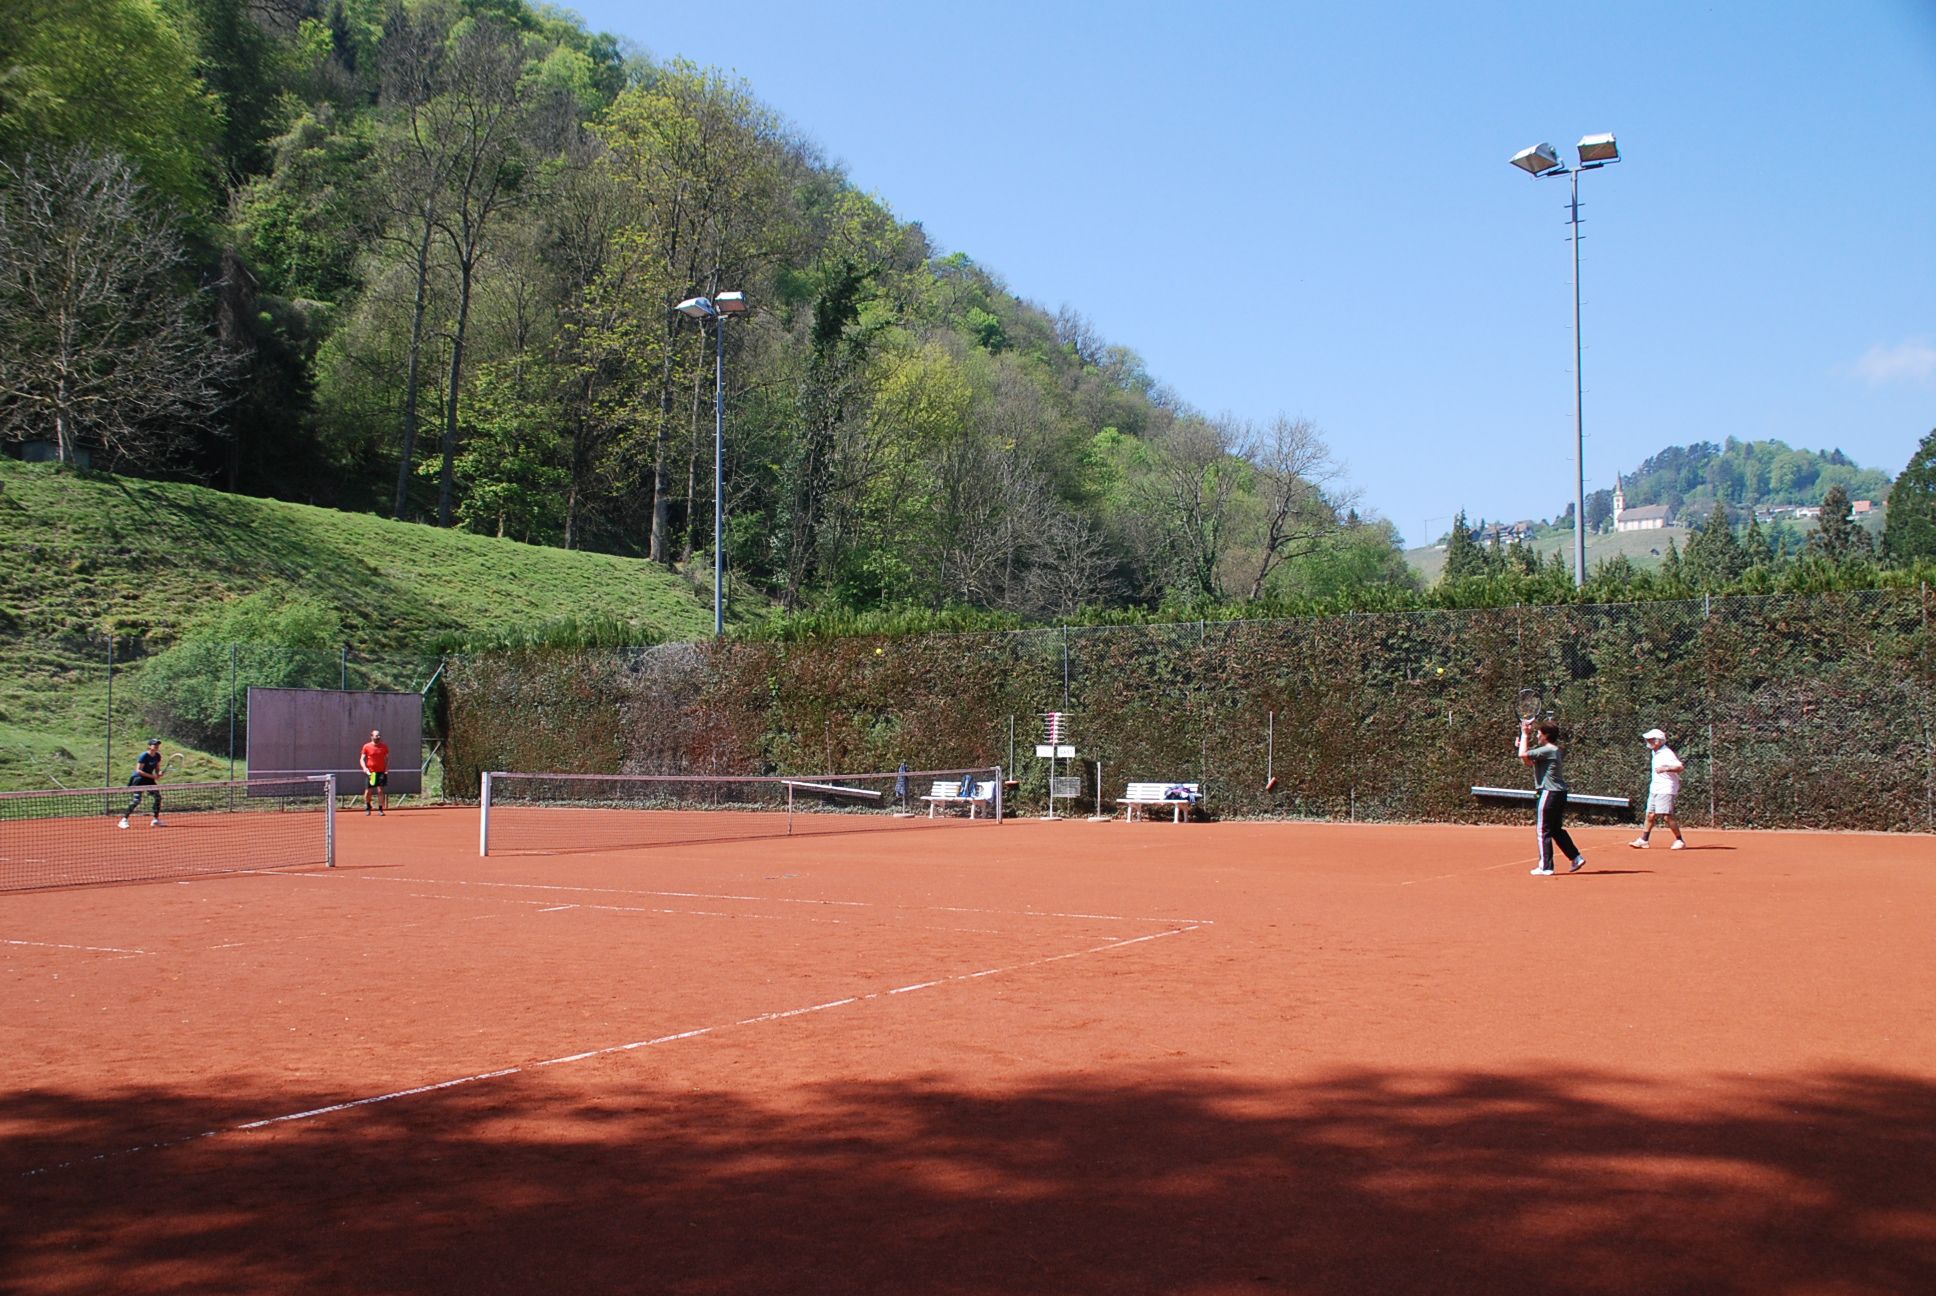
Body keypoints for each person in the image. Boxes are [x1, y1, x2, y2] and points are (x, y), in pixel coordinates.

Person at [1518, 718, 1585, 875]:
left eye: (1538, 733)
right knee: (1555, 829)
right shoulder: (1553, 750)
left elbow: (1522, 754)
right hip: (1558, 794)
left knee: (1543, 830)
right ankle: (1576, 857)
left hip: (1549, 793)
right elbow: (1528, 762)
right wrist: (1523, 742)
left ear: (1546, 735)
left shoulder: (1548, 750)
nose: (1537, 735)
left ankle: (1546, 866)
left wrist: (1524, 734)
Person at [1630, 728, 1688, 850]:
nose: (1648, 741)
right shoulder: (1655, 752)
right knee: (1650, 815)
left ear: (1658, 741)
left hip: (1666, 788)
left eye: (1650, 739)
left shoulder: (1667, 753)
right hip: (1655, 787)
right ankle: (1644, 840)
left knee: (1667, 816)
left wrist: (1666, 769)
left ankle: (1680, 840)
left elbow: (1680, 767)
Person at [119, 739, 166, 829]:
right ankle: (123, 820)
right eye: (154, 744)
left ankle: (155, 820)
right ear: (149, 746)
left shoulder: (157, 756)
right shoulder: (144, 755)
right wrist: (152, 776)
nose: (156, 746)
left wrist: (159, 773)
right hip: (138, 779)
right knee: (137, 800)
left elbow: (157, 768)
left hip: (149, 780)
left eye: (158, 744)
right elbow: (138, 770)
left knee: (157, 797)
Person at [359, 728, 390, 816]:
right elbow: (362, 759)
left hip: (381, 772)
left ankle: (380, 809)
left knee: (380, 791)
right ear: (372, 736)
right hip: (371, 773)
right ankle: (368, 807)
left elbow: (387, 759)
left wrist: (386, 768)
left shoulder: (384, 746)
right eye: (376, 736)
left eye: (379, 735)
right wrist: (365, 768)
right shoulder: (366, 746)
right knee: (368, 792)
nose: (378, 737)